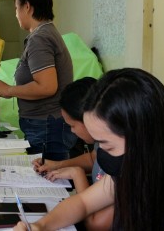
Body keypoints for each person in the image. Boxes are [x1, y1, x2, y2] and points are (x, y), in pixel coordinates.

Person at [14, 68, 164, 231]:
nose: (99, 153)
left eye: (107, 145)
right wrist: (40, 226)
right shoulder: (135, 169)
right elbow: (83, 203)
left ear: (142, 138)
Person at [0, 0, 75, 160]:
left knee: (48, 183)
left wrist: (8, 90)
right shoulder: (46, 33)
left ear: (27, 7)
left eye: (16, 8)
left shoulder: (40, 38)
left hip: (46, 127)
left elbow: (46, 87)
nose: (16, 14)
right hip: (47, 125)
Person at [33, 77, 113, 231]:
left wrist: (77, 174)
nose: (72, 131)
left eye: (72, 125)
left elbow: (95, 222)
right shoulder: (106, 144)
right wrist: (39, 226)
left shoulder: (127, 164)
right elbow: (93, 159)